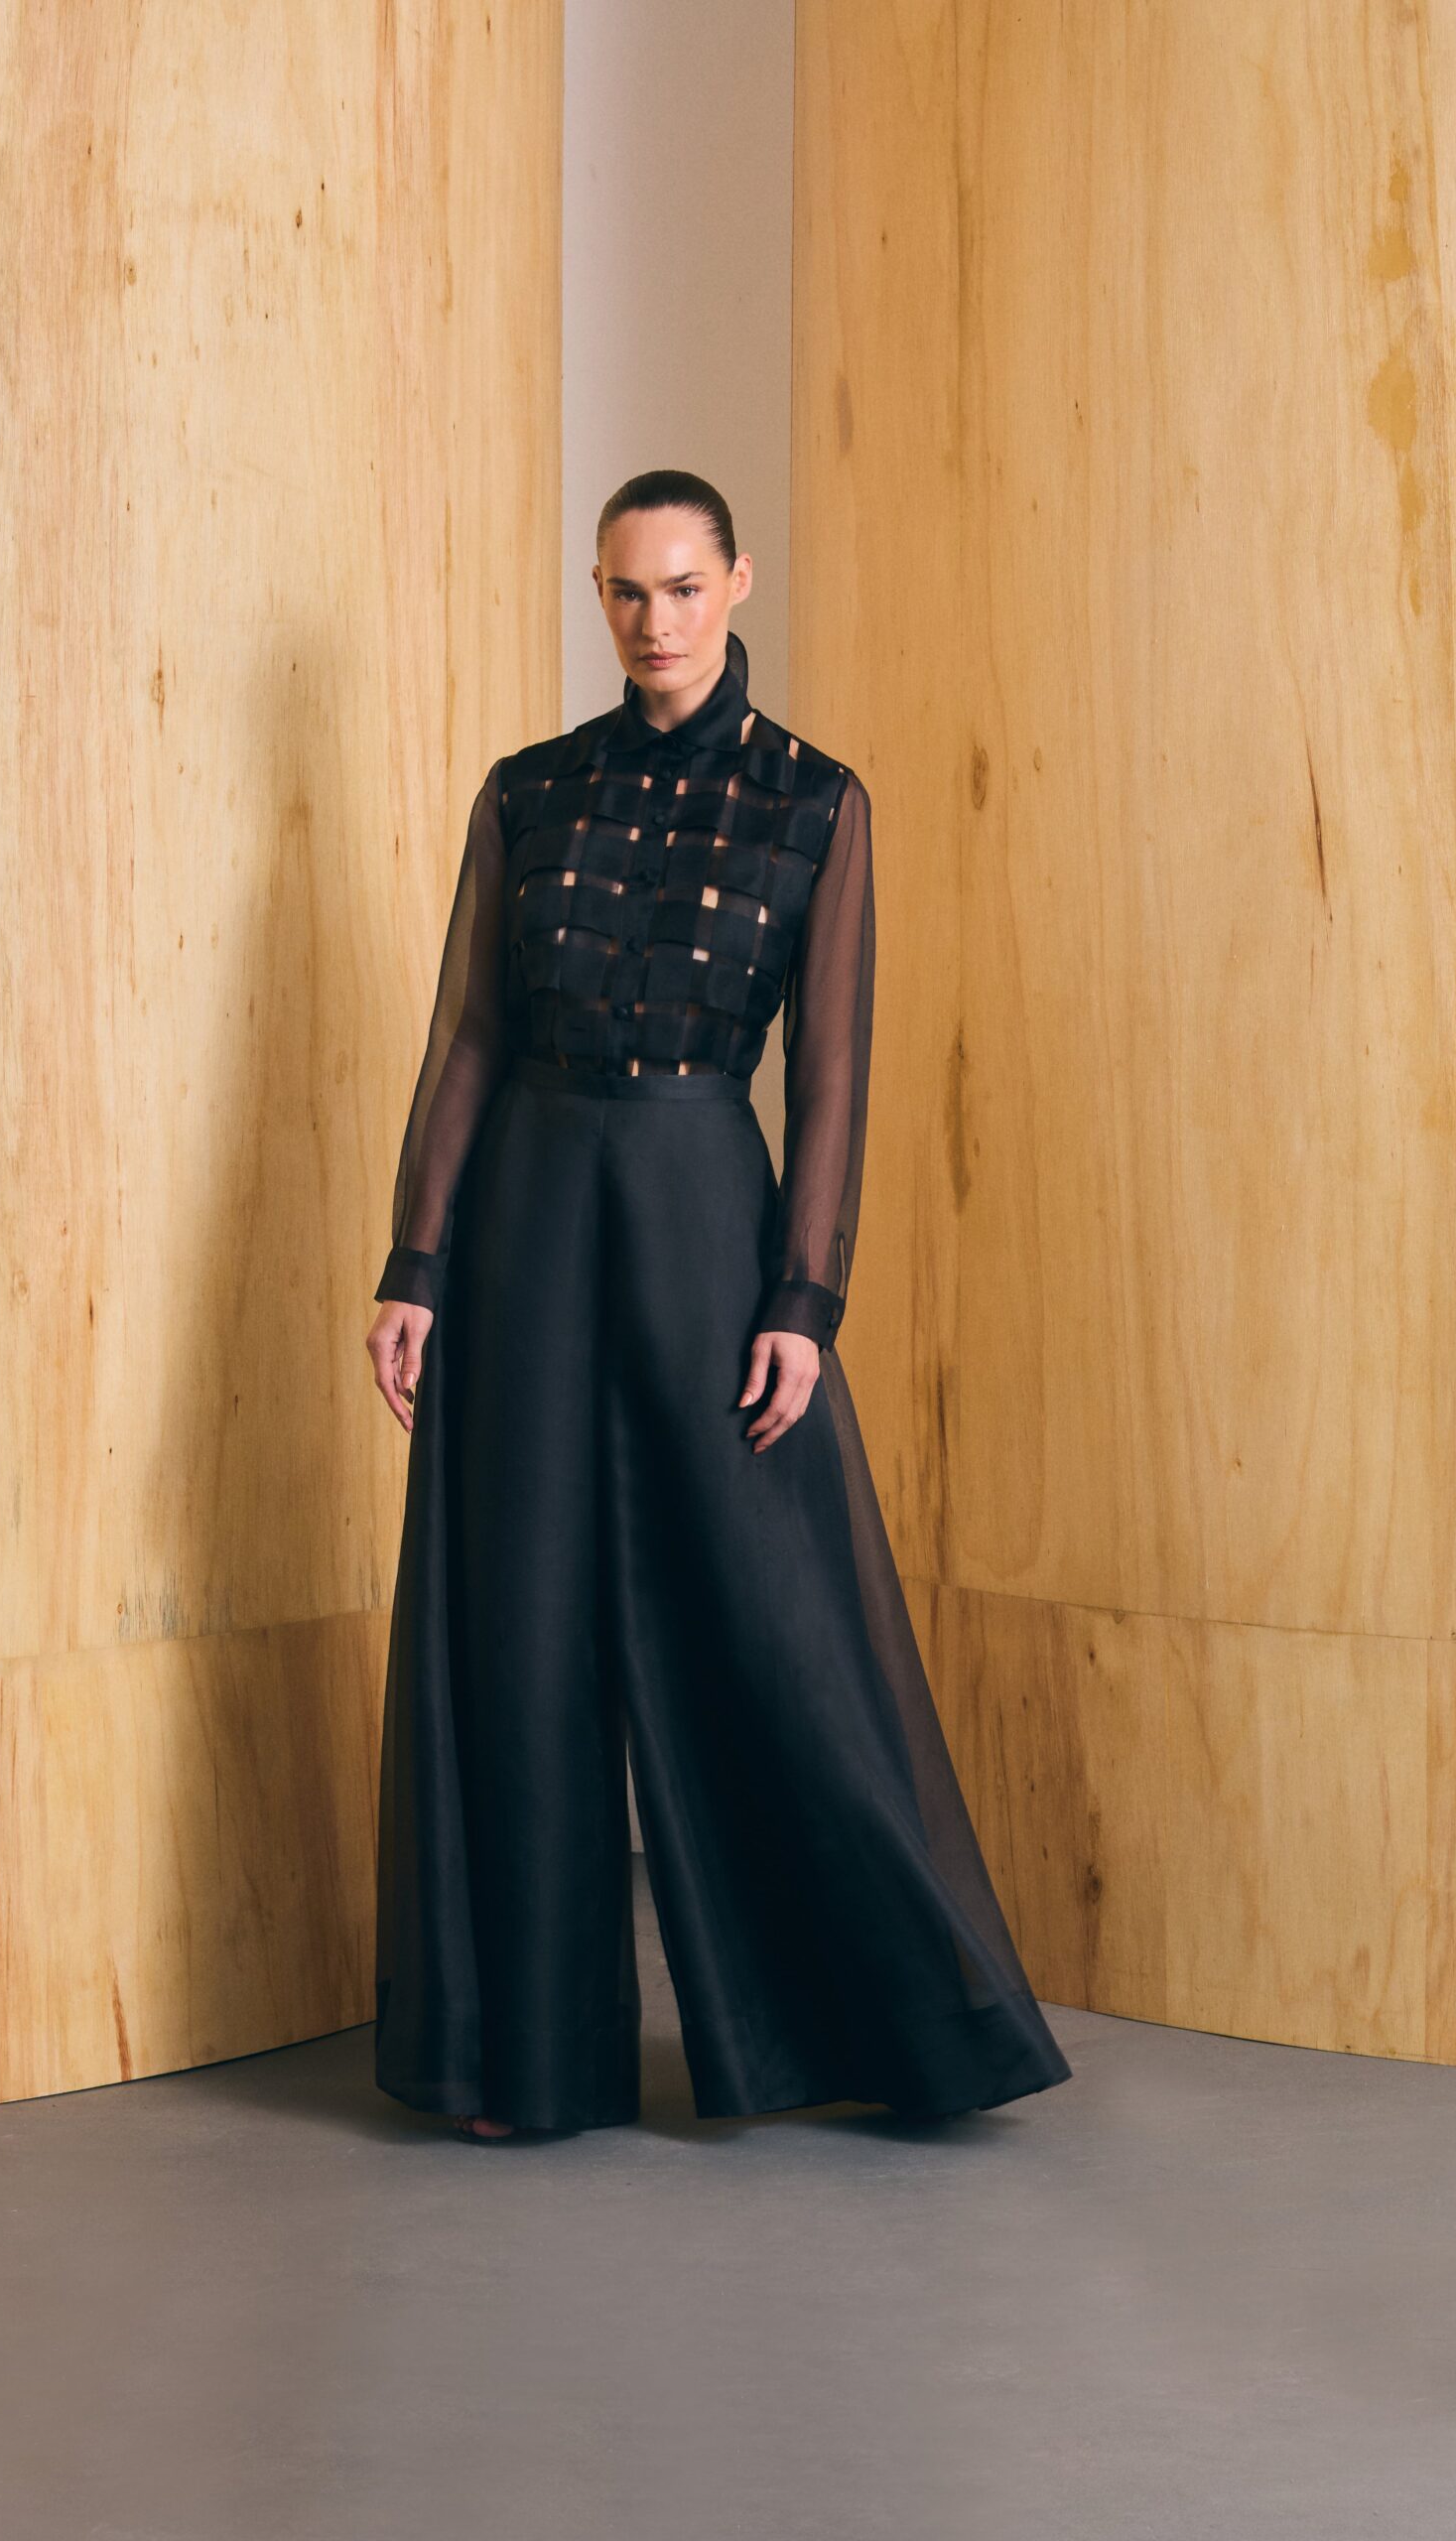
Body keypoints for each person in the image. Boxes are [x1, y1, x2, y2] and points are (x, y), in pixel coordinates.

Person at [366, 468, 1071, 2142]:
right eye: (624, 590)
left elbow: (828, 1074)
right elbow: (468, 1039)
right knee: (520, 1623)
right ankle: (523, 2062)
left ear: (736, 583)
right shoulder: (529, 792)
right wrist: (415, 1266)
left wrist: (802, 1298)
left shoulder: (815, 801)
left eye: (682, 587)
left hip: (702, 1221)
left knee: (775, 1627)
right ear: (598, 596)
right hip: (528, 1224)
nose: (653, 621)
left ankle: (892, 2034)